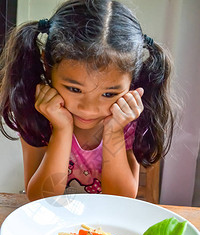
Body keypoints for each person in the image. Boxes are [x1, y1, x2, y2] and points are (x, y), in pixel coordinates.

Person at [0, 0, 174, 201]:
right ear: (47, 66)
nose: (89, 109)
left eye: (109, 94)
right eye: (74, 89)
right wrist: (62, 130)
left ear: (132, 81)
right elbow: (40, 199)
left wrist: (114, 131)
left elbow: (120, 200)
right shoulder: (37, 114)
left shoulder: (128, 121)